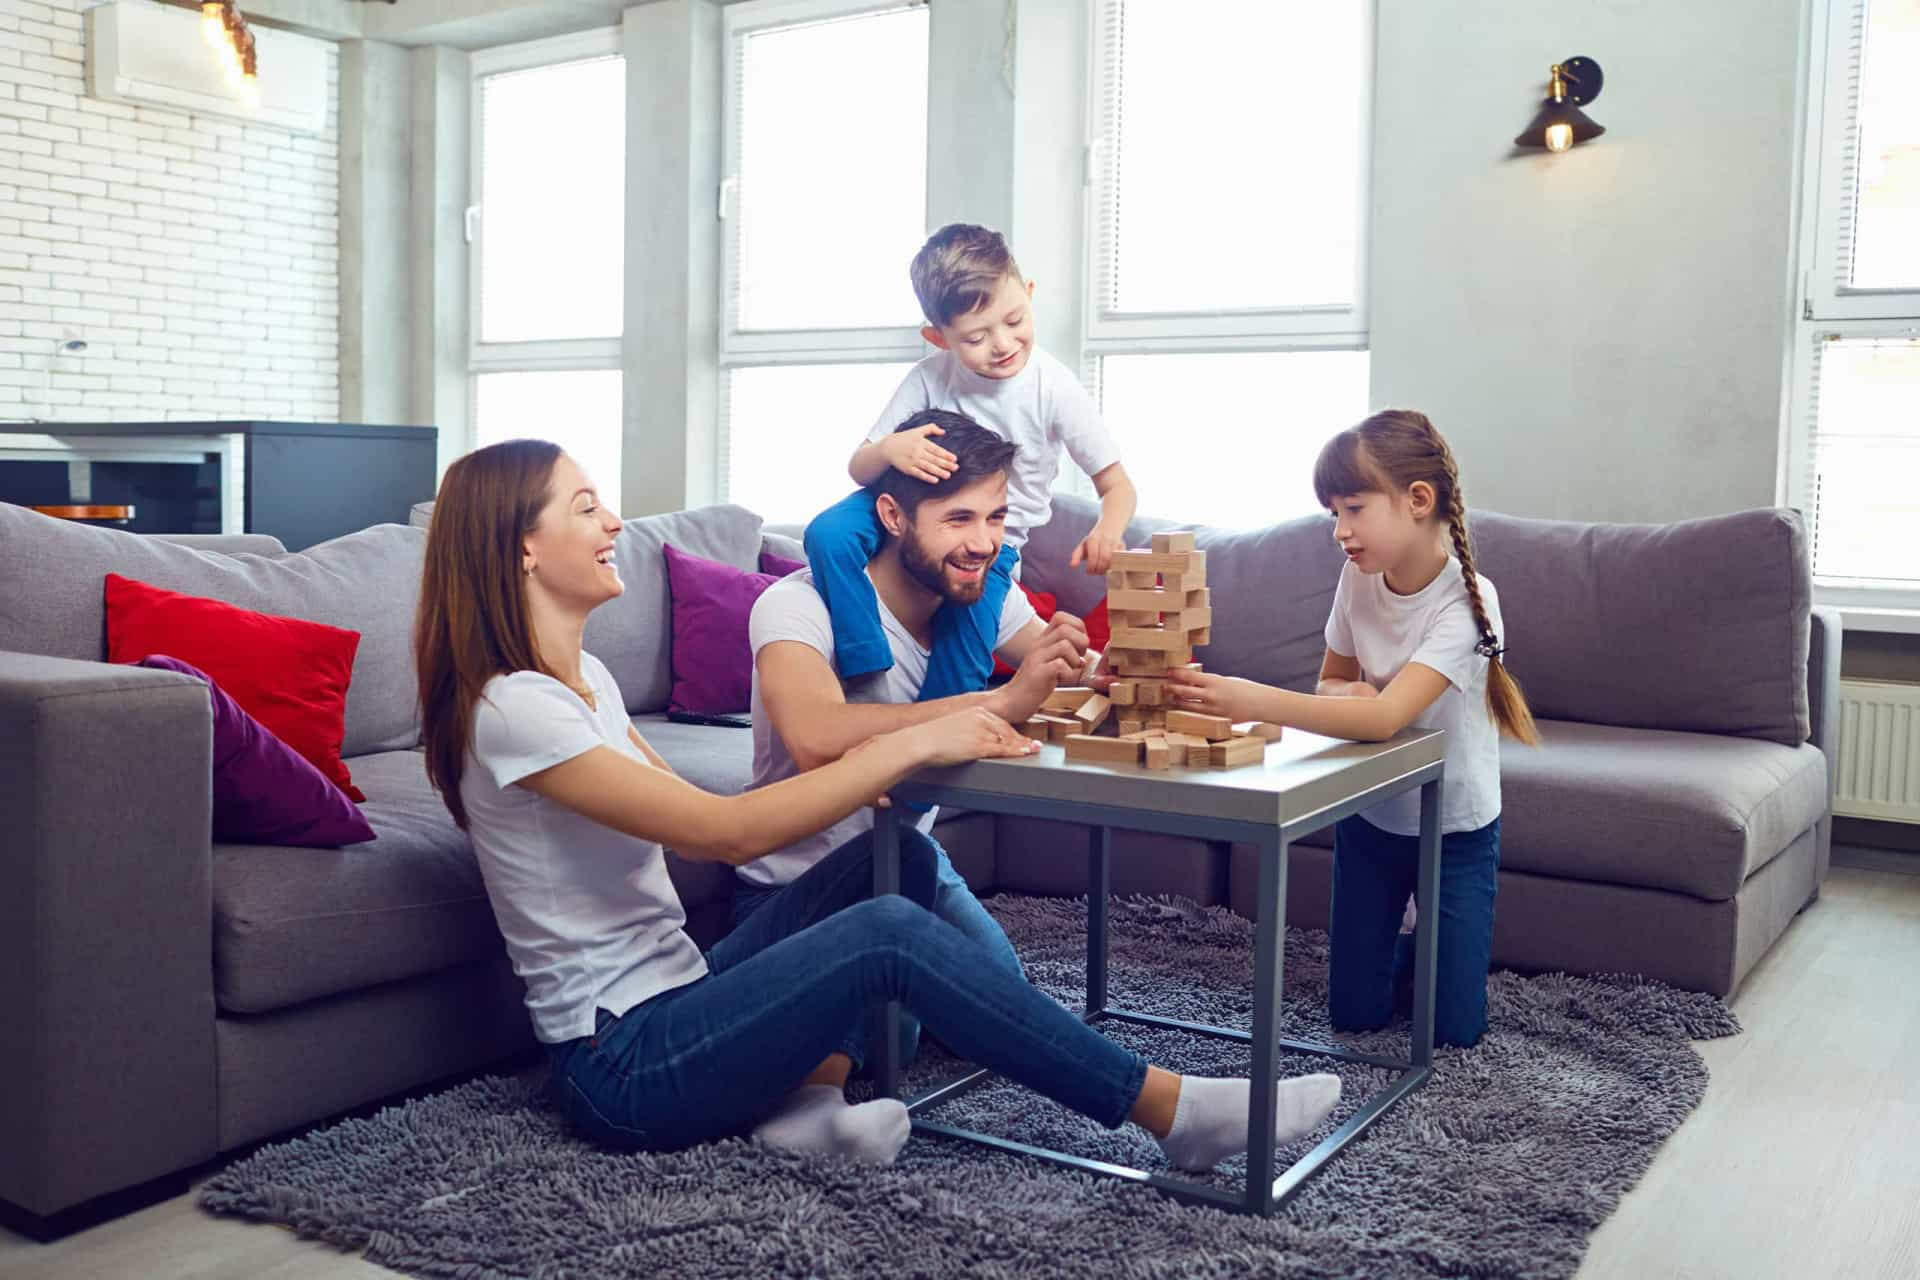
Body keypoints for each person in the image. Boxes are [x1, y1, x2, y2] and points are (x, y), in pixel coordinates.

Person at [413, 438, 1343, 1170]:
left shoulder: (585, 683)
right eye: (586, 507)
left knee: (884, 864)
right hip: (618, 1065)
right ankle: (1171, 1112)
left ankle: (802, 1110)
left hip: (681, 992)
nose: (615, 520)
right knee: (888, 935)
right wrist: (911, 740)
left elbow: (692, 805)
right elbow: (725, 831)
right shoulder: (513, 709)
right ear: (522, 545)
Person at [1152, 410, 1537, 1048]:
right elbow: (1331, 682)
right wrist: (1342, 691)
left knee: (1450, 1031)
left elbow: (1387, 716)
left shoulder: (1469, 602)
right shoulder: (1356, 580)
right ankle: (1417, 945)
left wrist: (1250, 698)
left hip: (1455, 829)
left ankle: (1435, 949)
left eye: (1354, 509)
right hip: (1372, 819)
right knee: (1354, 1015)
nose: (1340, 531)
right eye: (1334, 512)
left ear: (1419, 501)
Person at [742, 411, 1091, 1058]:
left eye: (995, 517)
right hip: (798, 884)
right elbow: (816, 736)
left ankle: (889, 1000)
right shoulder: (796, 605)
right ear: (894, 517)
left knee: (1000, 1003)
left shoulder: (982, 592)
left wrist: (1116, 669)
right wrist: (1004, 698)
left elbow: (1071, 678)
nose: (984, 542)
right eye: (958, 520)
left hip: (910, 862)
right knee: (890, 1046)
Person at [803, 222, 1137, 702]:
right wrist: (888, 450)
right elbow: (859, 466)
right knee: (827, 534)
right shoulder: (926, 378)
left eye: (1015, 320)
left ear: (1029, 293)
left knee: (965, 637)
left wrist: (1109, 528)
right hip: (900, 515)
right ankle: (866, 661)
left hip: (987, 543)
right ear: (938, 338)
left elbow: (1118, 485)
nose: (1002, 344)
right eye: (976, 337)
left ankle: (946, 725)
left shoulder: (1053, 387)